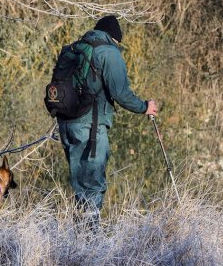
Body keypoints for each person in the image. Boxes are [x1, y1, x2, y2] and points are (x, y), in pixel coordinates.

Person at [58, 15, 158, 230]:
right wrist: (144, 107)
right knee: (93, 182)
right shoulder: (108, 53)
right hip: (90, 127)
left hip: (66, 124)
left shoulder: (74, 48)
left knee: (80, 183)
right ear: (116, 39)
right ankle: (90, 239)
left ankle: (79, 237)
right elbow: (121, 93)